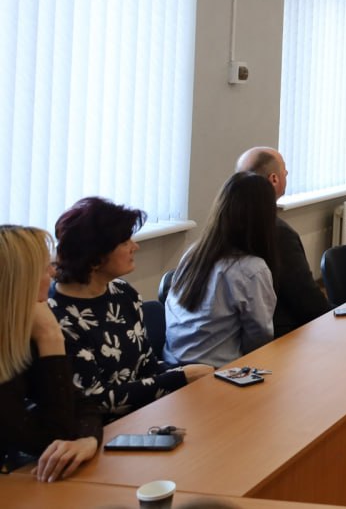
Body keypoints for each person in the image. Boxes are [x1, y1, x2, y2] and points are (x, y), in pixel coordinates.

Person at [48, 198, 211, 420]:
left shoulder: (123, 293)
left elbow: (147, 368)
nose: (135, 246)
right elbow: (97, 399)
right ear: (95, 256)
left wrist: (190, 373)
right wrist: (180, 377)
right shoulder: (58, 317)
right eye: (125, 242)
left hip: (142, 416)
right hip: (97, 430)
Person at [1, 225, 101, 481]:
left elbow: (83, 404)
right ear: (20, 280)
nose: (53, 273)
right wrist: (51, 337)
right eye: (45, 268)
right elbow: (49, 438)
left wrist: (88, 440)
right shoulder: (40, 331)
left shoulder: (20, 335)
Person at [164, 173, 280, 366]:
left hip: (173, 368)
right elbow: (260, 338)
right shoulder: (252, 269)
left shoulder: (194, 253)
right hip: (215, 373)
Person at [236, 147, 331, 336]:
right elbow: (307, 302)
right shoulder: (278, 234)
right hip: (280, 335)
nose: (287, 173)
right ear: (274, 179)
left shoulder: (226, 225)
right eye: (284, 169)